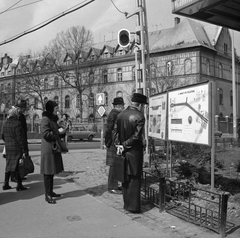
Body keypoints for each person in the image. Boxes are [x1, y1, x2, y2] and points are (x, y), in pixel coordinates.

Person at [113, 93, 148, 213]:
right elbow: (136, 137)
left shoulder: (121, 114)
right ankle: (133, 207)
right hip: (133, 152)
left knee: (125, 179)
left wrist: (119, 145)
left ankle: (126, 204)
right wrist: (125, 145)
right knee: (134, 179)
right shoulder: (139, 116)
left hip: (123, 151)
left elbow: (115, 133)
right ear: (141, 105)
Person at [40, 100, 66, 204]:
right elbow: (46, 134)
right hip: (48, 148)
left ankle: (50, 191)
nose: (57, 110)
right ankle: (47, 195)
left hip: (53, 148)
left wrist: (62, 132)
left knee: (51, 172)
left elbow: (56, 131)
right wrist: (57, 132)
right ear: (51, 109)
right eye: (55, 108)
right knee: (48, 172)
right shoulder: (45, 119)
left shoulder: (52, 119)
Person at [2, 107, 29, 191]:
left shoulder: (5, 123)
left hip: (8, 147)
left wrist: (8, 141)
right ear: (15, 115)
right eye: (17, 114)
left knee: (9, 164)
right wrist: (25, 150)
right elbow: (21, 139)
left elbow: (2, 136)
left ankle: (6, 184)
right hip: (16, 148)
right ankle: (19, 185)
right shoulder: (17, 124)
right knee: (18, 166)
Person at [104, 97, 125, 194]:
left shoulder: (115, 114)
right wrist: (107, 142)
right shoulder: (114, 114)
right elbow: (109, 129)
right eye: (122, 105)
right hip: (114, 142)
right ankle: (112, 187)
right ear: (118, 106)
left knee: (116, 164)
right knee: (113, 165)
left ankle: (114, 185)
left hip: (114, 141)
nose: (123, 107)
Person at [11, 99, 29, 182]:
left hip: (22, 139)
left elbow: (24, 129)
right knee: (15, 160)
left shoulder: (22, 116)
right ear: (18, 107)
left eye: (24, 107)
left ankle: (20, 174)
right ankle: (14, 176)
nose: (24, 109)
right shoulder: (15, 116)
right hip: (16, 141)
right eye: (22, 108)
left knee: (21, 159)